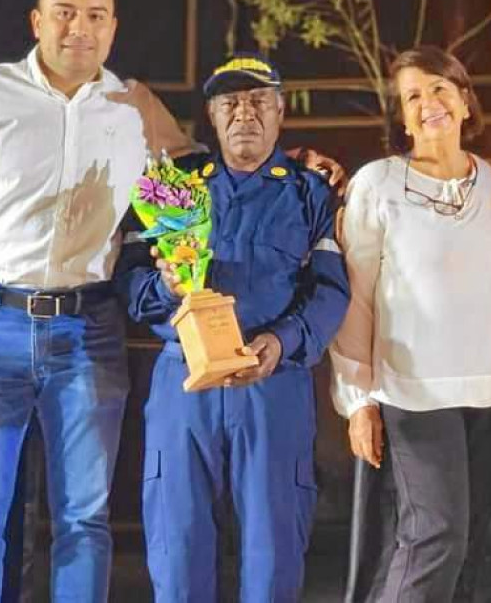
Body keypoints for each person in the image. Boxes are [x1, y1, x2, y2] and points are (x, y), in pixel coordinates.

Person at [0, 0, 204, 602]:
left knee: (85, 520)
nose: (79, 28)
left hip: (88, 332)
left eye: (95, 16)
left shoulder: (134, 108)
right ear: (37, 22)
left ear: (112, 29)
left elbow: (191, 187)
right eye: (64, 12)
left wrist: (292, 167)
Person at [119, 52, 351, 602]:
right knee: (177, 542)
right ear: (212, 115)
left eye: (258, 101)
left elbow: (331, 291)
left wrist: (282, 341)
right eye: (230, 103)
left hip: (272, 382)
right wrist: (165, 287)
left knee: (274, 548)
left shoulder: (311, 192)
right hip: (184, 380)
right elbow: (128, 284)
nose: (244, 113)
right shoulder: (173, 190)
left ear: (280, 111)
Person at [330, 46, 491, 601]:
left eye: (439, 88)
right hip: (413, 393)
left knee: (467, 548)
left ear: (465, 101)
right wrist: (358, 399)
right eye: (412, 96)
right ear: (402, 118)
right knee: (434, 537)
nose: (428, 103)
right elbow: (356, 300)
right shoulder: (377, 184)